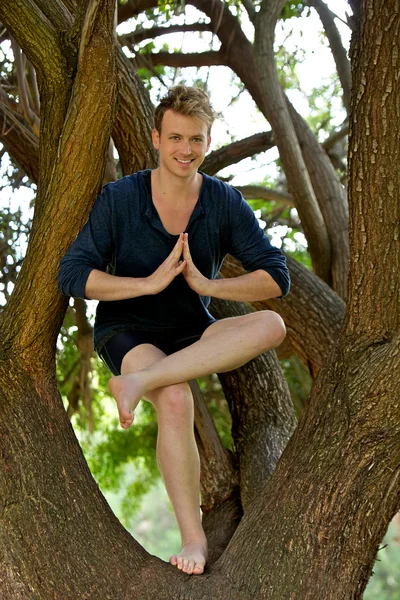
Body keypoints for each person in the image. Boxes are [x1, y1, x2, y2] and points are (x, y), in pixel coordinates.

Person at [58, 85, 290, 576]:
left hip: (192, 330)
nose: (186, 150)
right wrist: (146, 283)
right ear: (156, 138)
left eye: (197, 140)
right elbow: (74, 274)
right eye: (176, 138)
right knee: (177, 397)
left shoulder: (223, 201)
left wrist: (207, 283)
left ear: (208, 141)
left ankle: (139, 384)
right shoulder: (120, 199)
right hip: (128, 330)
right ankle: (194, 539)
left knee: (272, 323)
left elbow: (277, 275)